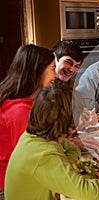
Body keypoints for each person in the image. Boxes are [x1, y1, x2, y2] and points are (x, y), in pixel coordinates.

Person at [5, 84, 99, 200]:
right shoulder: (43, 155)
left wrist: (62, 169)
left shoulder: (37, 137)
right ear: (70, 122)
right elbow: (86, 192)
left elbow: (73, 150)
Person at [0, 44, 58, 199]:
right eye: (53, 69)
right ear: (38, 71)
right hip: (9, 186)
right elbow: (34, 158)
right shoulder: (20, 111)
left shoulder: (24, 102)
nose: (56, 75)